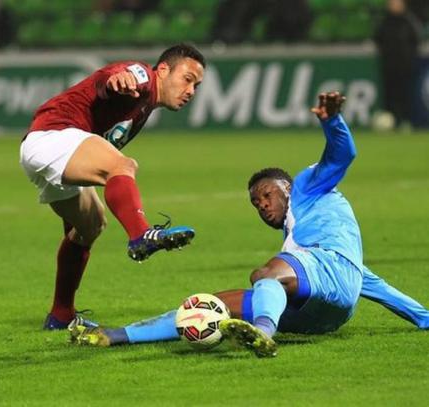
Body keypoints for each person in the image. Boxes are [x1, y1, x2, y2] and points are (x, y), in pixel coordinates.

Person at [69, 91, 429, 356]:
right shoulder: (310, 241)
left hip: (320, 281)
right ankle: (115, 335)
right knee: (203, 306)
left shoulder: (308, 186)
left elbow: (343, 155)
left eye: (266, 194)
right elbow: (371, 284)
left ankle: (262, 333)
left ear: (285, 188)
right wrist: (423, 317)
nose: (261, 204)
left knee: (264, 275)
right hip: (323, 316)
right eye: (255, 202)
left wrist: (332, 121)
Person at [20, 44, 205, 330]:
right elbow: (111, 77)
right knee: (123, 166)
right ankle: (142, 235)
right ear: (164, 70)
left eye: (197, 85)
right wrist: (117, 78)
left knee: (89, 226)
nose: (191, 90)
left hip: (47, 150)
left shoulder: (143, 109)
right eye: (188, 79)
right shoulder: (142, 77)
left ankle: (60, 315)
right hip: (54, 135)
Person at [374, 0, 423, 129]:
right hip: (388, 65)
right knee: (389, 95)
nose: (394, 5)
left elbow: (416, 41)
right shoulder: (384, 21)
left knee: (405, 94)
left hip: (405, 65)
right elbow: (378, 39)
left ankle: (406, 121)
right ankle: (391, 120)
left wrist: (409, 57)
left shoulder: (409, 21)